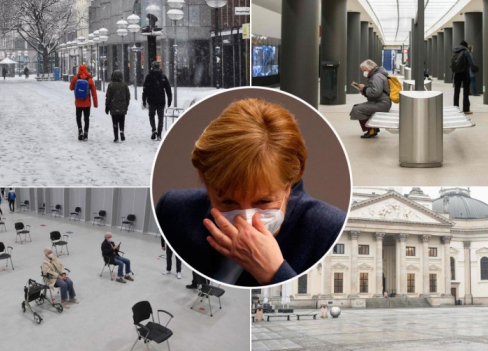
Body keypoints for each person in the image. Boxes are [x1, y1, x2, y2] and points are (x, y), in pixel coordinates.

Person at [156, 98, 346, 287]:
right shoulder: (172, 211)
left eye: (263, 201)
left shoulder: (330, 230)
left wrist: (275, 272)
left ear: (289, 185)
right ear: (206, 184)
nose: (246, 222)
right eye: (228, 202)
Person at [350, 59, 392, 138]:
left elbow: (376, 92)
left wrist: (365, 89)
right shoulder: (377, 75)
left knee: (358, 109)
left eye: (364, 70)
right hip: (381, 102)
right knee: (358, 107)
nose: (364, 73)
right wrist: (364, 91)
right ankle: (373, 128)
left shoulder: (377, 77)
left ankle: (371, 130)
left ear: (370, 68)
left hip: (382, 104)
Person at [142, 61, 172, 141]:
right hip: (161, 100)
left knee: (151, 116)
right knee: (160, 117)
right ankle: (159, 134)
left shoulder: (149, 77)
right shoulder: (163, 76)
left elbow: (145, 89)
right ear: (159, 67)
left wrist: (144, 100)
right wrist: (169, 99)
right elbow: (168, 89)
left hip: (151, 100)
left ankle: (154, 129)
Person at [70, 64, 98, 141]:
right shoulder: (89, 79)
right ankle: (85, 133)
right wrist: (95, 103)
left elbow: (71, 88)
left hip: (78, 103)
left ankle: (80, 131)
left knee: (78, 117)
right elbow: (94, 92)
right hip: (87, 103)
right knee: (86, 118)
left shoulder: (76, 78)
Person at [105, 70, 130, 143]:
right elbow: (128, 96)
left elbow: (108, 97)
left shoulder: (111, 85)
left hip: (113, 107)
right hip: (122, 107)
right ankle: (121, 131)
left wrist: (107, 106)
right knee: (122, 120)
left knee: (115, 122)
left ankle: (116, 137)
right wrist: (126, 105)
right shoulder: (124, 85)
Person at [452, 40, 474, 115]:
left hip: (457, 73)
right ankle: (466, 109)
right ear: (466, 46)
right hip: (465, 73)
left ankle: (455, 108)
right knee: (466, 91)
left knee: (456, 91)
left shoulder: (455, 51)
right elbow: (471, 63)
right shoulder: (466, 52)